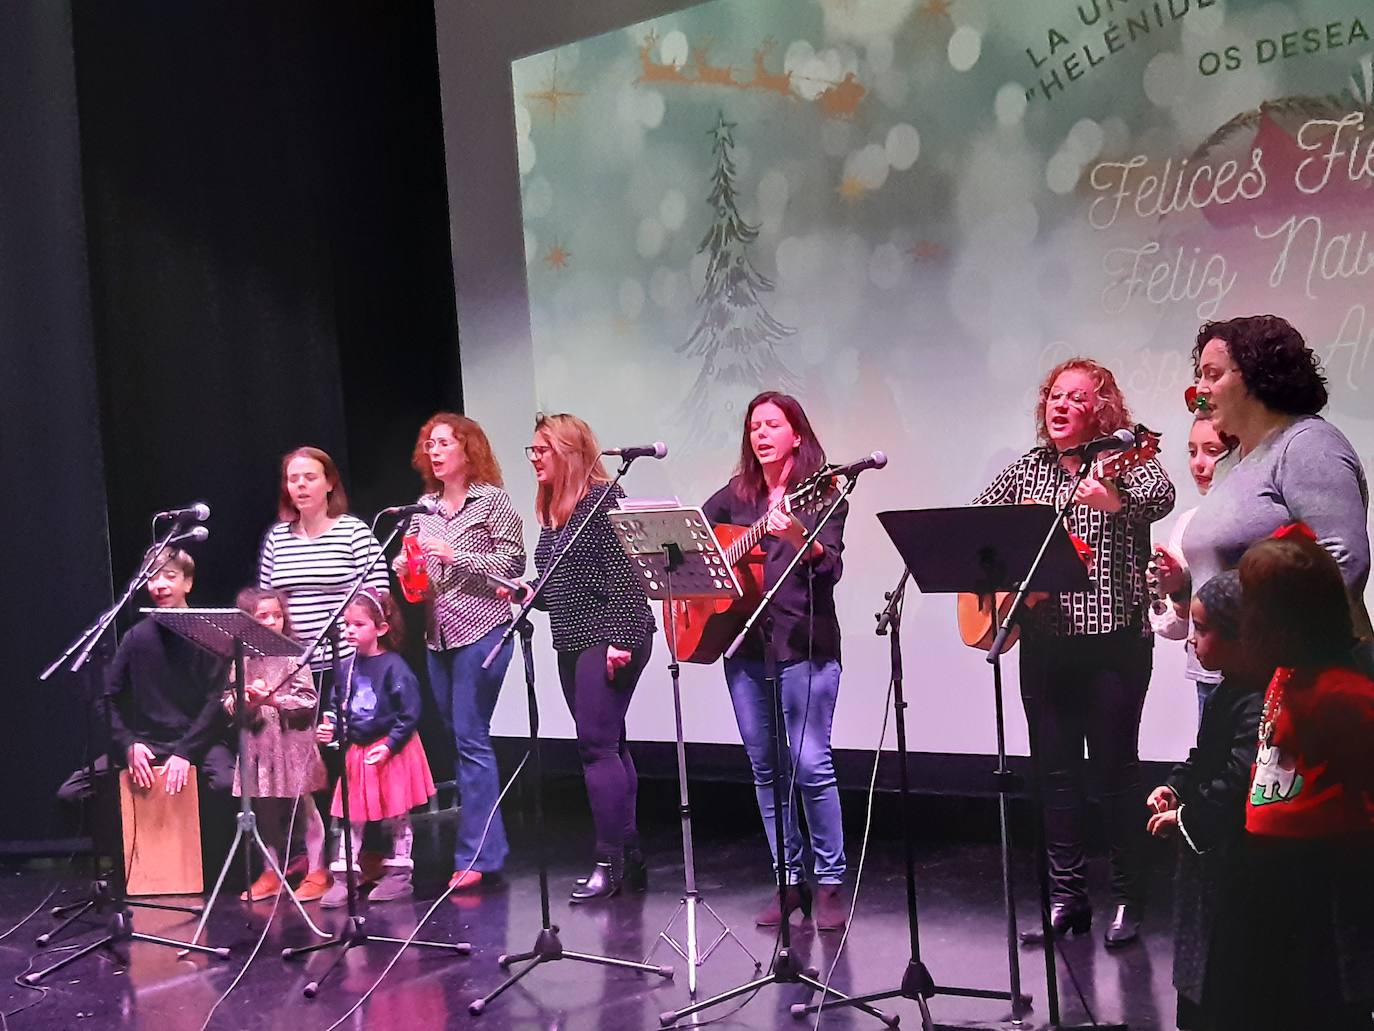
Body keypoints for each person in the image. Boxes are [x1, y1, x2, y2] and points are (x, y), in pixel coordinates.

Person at [973, 357, 1175, 948]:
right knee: (1055, 778)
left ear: (1101, 408)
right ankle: (1067, 898)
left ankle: (1128, 899)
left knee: (1114, 777)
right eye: (1054, 397)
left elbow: (1159, 498)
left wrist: (1113, 500)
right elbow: (975, 524)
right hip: (1044, 644)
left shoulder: (1128, 461)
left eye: (1076, 398)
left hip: (1114, 644)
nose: (1060, 406)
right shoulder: (1027, 470)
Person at [1204, 532, 1374, 1030]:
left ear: (1283, 621)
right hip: (1266, 867)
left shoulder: (1342, 693)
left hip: (1321, 874)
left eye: (1253, 607)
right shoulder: (1284, 674)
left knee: (1312, 1001)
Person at [699, 391, 849, 931]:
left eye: (772, 425)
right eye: (754, 426)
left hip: (804, 644)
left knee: (810, 764)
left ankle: (830, 884)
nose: (761, 434)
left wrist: (799, 540)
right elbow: (696, 537)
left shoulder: (823, 493)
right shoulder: (736, 496)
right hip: (744, 646)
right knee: (767, 768)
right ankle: (789, 883)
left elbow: (829, 567)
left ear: (796, 435)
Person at [1155, 314, 1371, 647]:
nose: (1200, 389)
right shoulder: (1233, 460)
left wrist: (1283, 652)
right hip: (1224, 676)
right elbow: (1222, 573)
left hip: (1287, 674)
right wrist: (1182, 586)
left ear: (1256, 377)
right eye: (1200, 376)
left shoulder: (1306, 444)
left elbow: (1344, 562)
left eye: (1212, 374)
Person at [515, 412, 655, 902]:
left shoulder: (601, 501)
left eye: (542, 450)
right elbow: (561, 588)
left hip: (613, 636)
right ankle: (631, 856)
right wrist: (528, 592)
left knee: (595, 747)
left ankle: (609, 861)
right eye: (531, 450)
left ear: (569, 453)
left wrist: (620, 640)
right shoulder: (555, 511)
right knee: (610, 745)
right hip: (572, 639)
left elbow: (628, 580)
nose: (534, 458)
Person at [396, 413, 525, 892]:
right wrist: (408, 566)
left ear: (468, 450)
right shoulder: (424, 507)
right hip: (438, 636)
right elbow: (420, 572)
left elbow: (513, 564)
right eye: (429, 443)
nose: (434, 451)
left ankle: (479, 855)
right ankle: (486, 846)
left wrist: (454, 555)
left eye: (444, 443)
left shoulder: (492, 502)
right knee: (459, 738)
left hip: (482, 631)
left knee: (471, 737)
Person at [1144, 571, 1265, 1030]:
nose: (1192, 641)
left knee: (1222, 971)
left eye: (1203, 629)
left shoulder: (1254, 700)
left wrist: (1188, 816)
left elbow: (1241, 777)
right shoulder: (1227, 690)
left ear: (1242, 637)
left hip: (1230, 862)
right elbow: (1202, 757)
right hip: (1205, 861)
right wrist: (1175, 786)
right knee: (1197, 963)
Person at [316, 588, 435, 907]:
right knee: (351, 814)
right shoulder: (346, 666)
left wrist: (391, 745)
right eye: (346, 625)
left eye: (358, 624)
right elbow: (337, 706)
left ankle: (398, 874)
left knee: (396, 813)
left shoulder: (394, 666)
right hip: (359, 748)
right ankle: (345, 877)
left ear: (381, 628)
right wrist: (332, 729)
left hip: (390, 748)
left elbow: (409, 712)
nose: (349, 631)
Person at [224, 587, 330, 903]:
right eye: (263, 616)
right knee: (265, 809)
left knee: (304, 808)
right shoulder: (241, 659)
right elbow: (228, 700)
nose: (272, 621)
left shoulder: (293, 654)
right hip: (259, 744)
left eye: (277, 615)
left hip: (291, 743)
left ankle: (318, 869)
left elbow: (308, 700)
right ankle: (272, 871)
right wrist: (243, 701)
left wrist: (274, 699)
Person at [104, 546, 234, 797]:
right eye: (152, 577)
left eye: (170, 576)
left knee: (225, 783)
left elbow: (215, 703)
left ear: (188, 583)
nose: (160, 585)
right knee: (74, 792)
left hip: (199, 740)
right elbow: (107, 697)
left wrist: (185, 752)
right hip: (149, 741)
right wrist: (128, 744)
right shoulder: (135, 637)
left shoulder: (209, 636)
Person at [258, 446, 388, 670]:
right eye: (293, 479)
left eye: (310, 477)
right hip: (293, 667)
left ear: (329, 484)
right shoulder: (277, 538)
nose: (301, 485)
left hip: (349, 663)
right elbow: (264, 600)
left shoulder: (354, 532)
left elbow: (378, 597)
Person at [1149, 408, 1237, 722]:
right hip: (1208, 673)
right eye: (1192, 451)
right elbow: (1174, 629)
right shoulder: (1189, 524)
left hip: (1257, 670)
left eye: (1212, 451)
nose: (1198, 463)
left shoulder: (1261, 517)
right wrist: (1177, 590)